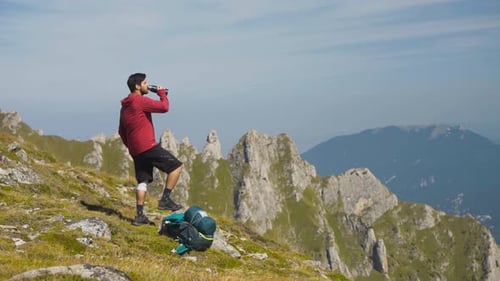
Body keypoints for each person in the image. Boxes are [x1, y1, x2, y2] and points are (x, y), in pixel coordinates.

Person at [119, 73, 183, 226]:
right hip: (147, 145)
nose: (148, 85)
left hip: (136, 149)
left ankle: (139, 215)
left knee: (143, 180)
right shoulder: (139, 100)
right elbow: (164, 107)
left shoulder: (125, 106)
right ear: (137, 86)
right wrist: (162, 93)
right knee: (176, 167)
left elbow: (122, 131)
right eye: (145, 83)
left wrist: (132, 147)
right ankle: (165, 200)